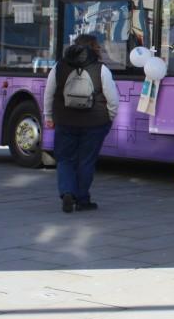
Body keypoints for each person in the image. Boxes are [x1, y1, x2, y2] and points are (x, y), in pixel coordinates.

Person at [43, 34, 119, 213]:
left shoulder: (59, 67)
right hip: (95, 122)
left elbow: (48, 93)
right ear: (94, 48)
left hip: (65, 120)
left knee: (65, 158)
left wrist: (48, 116)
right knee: (87, 160)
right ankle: (83, 199)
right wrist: (110, 117)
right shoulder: (101, 69)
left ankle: (68, 191)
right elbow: (113, 99)